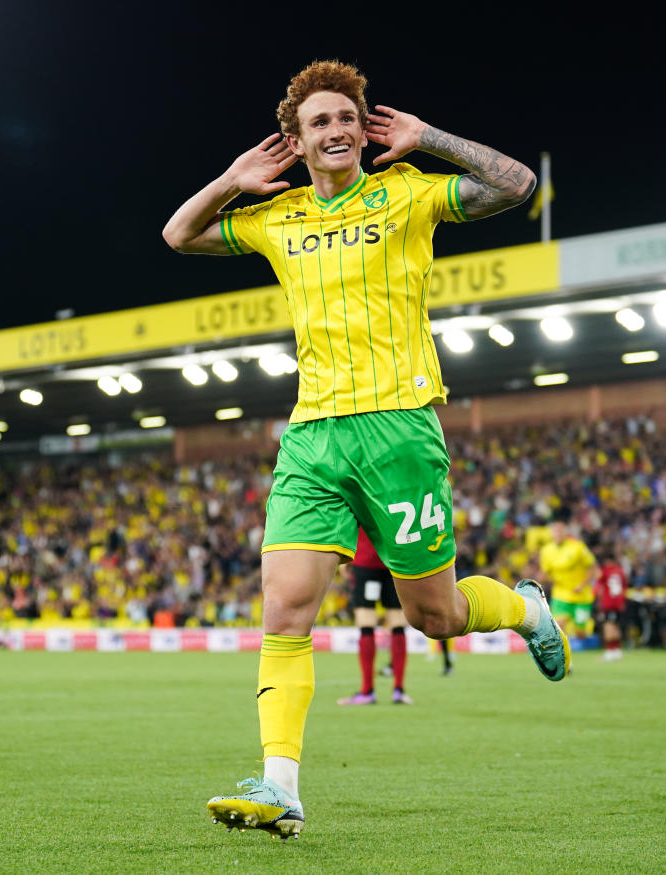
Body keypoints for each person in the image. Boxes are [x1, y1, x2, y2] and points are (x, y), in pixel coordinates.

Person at [163, 59, 566, 840]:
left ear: (363, 126)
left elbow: (517, 184)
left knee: (436, 616)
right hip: (313, 432)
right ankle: (282, 787)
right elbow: (179, 233)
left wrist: (431, 139)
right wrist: (231, 178)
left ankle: (526, 608)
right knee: (282, 604)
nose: (338, 129)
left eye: (348, 116)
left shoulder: (408, 192)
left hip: (400, 426)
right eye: (320, 121)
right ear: (297, 140)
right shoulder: (275, 217)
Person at [337, 527, 412, 705]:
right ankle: (399, 690)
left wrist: (344, 559)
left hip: (365, 561)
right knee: (397, 621)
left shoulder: (360, 496)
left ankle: (367, 691)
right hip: (394, 560)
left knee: (366, 622)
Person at [539, 509, 598, 639]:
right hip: (561, 595)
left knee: (580, 633)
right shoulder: (546, 550)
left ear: (566, 532)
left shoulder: (578, 547)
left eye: (560, 530)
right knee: (558, 626)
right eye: (555, 530)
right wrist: (540, 581)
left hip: (581, 595)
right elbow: (545, 573)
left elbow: (593, 568)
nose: (557, 533)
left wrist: (582, 585)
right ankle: (558, 655)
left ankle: (578, 636)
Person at [593, 552, 628, 661]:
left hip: (609, 603)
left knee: (608, 626)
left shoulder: (605, 571)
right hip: (619, 603)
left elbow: (598, 583)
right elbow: (624, 587)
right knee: (616, 626)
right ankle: (617, 650)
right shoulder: (620, 571)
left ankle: (609, 651)